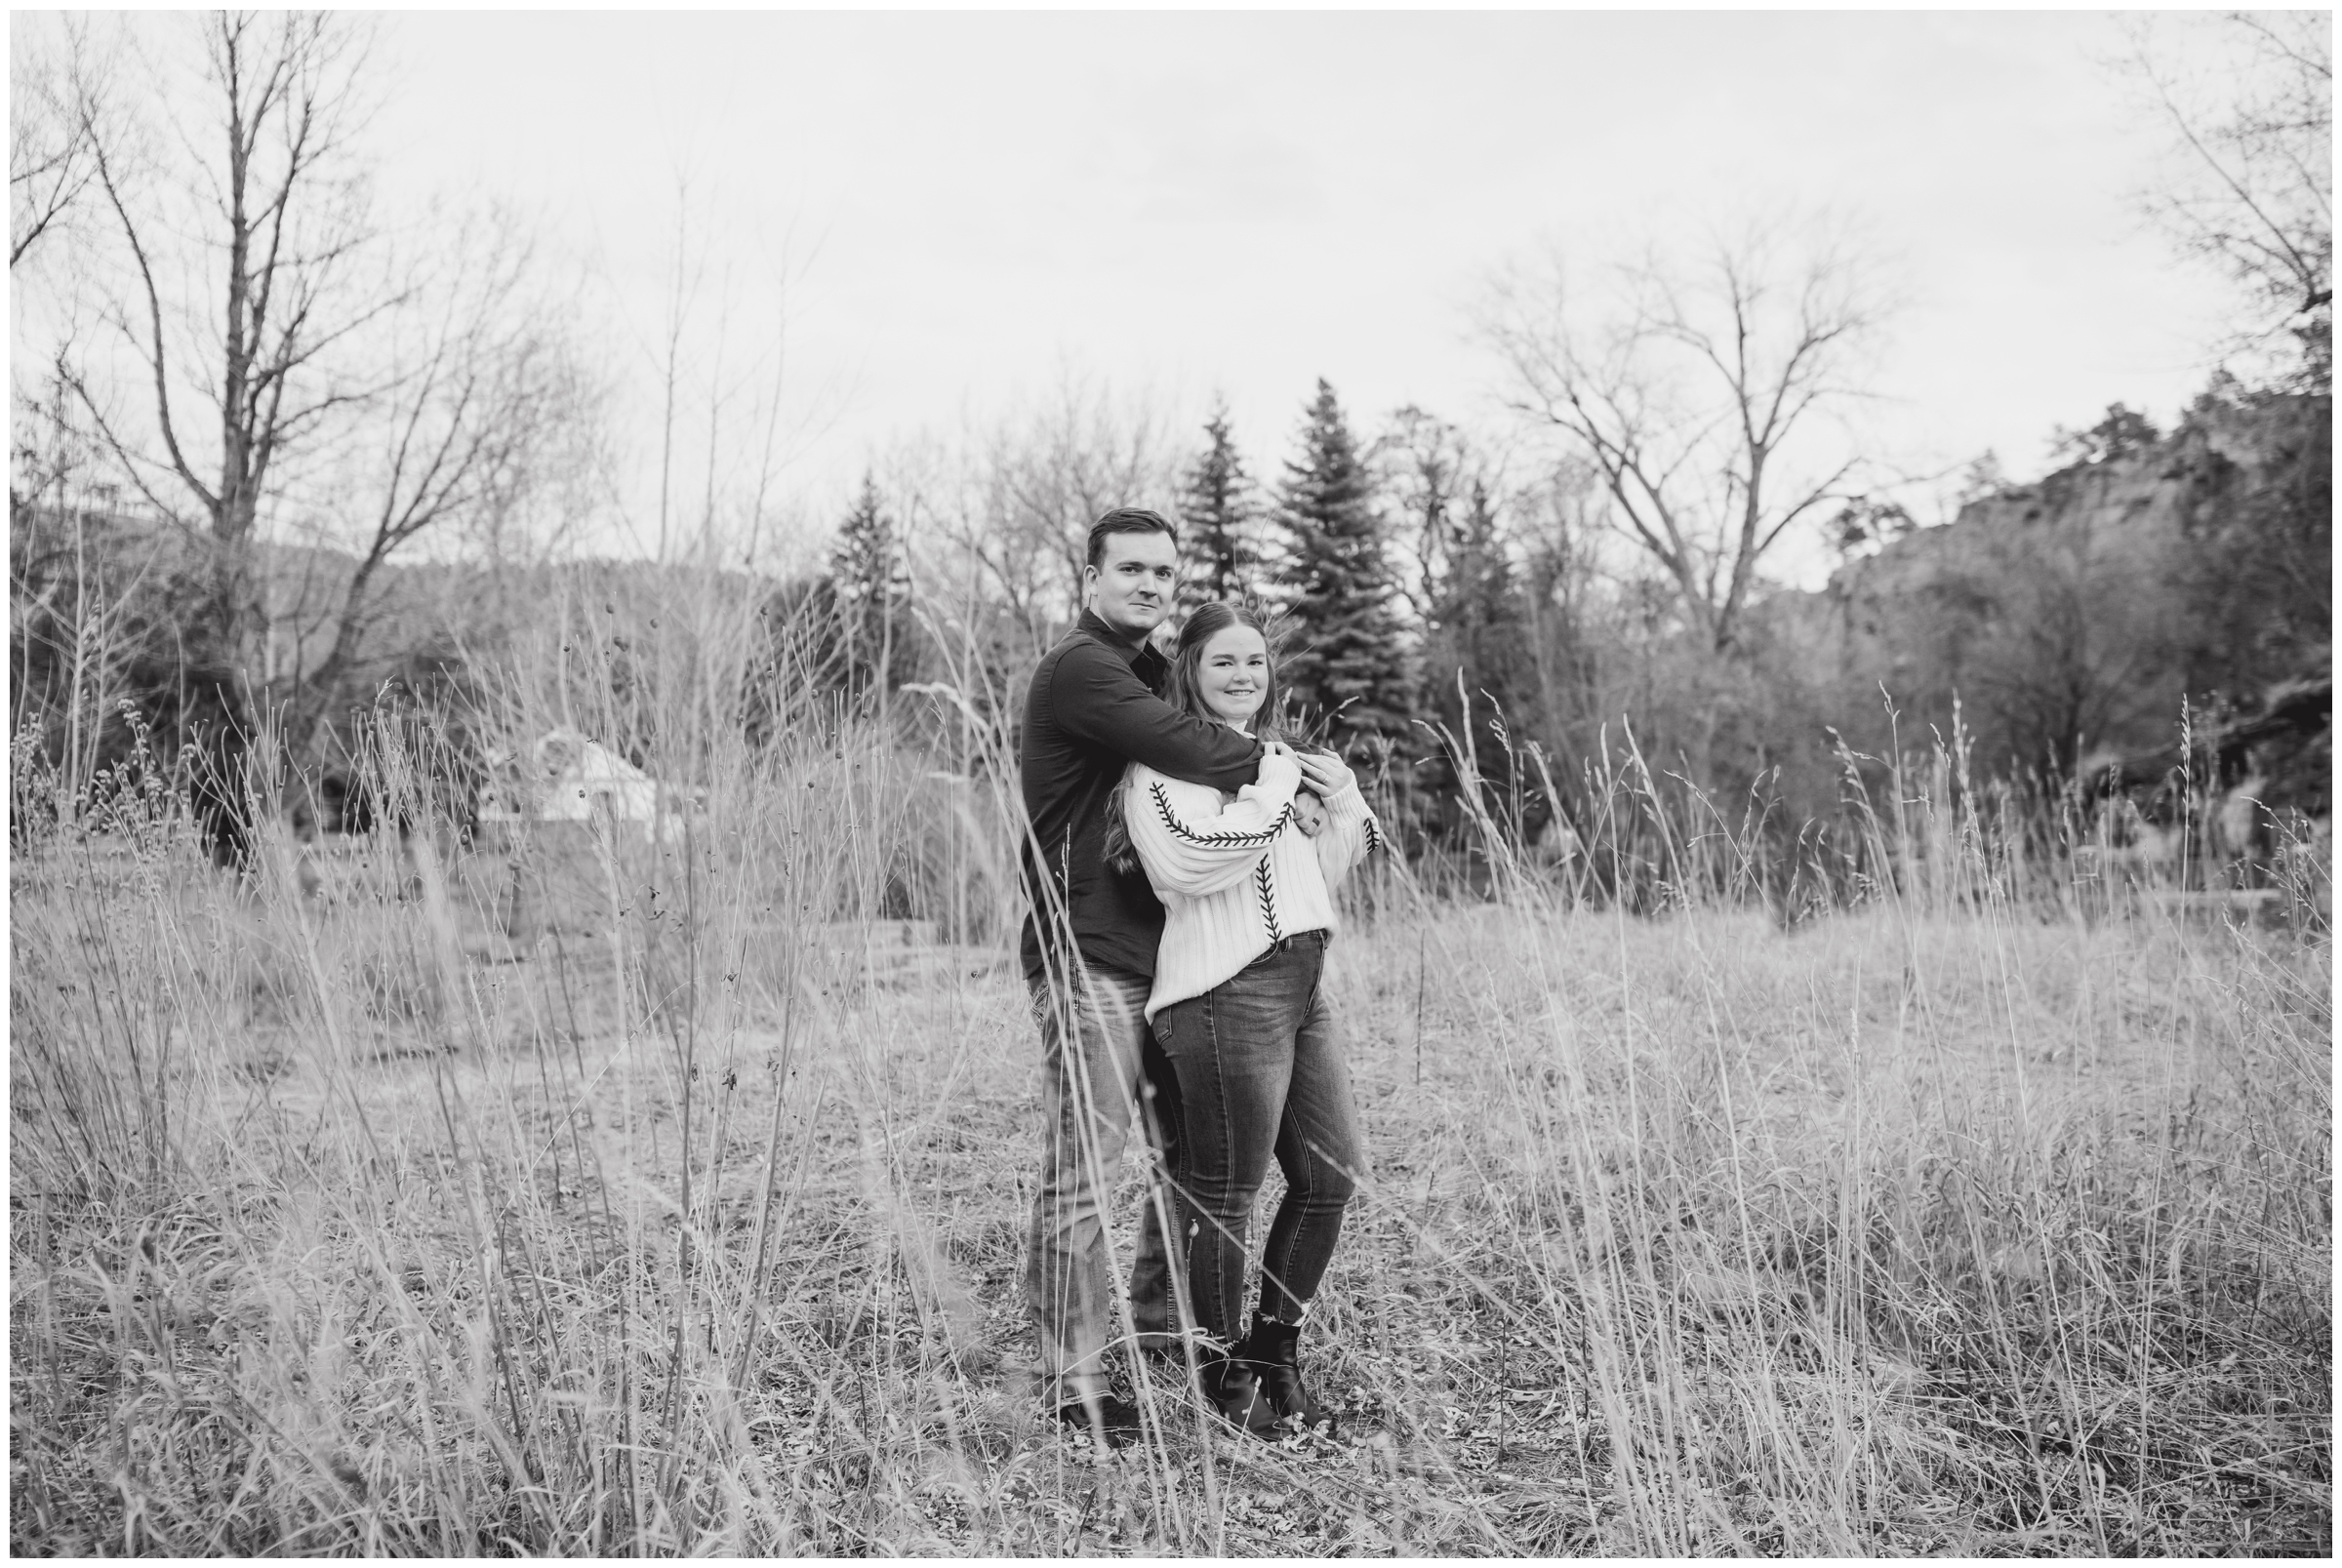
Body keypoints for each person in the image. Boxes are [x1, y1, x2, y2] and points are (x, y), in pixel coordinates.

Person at [1017, 507, 1283, 1446]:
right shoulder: (1084, 669)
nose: (1149, 584)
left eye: (1164, 573)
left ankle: (1165, 1322)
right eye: (1130, 568)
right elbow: (1193, 749)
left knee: (1188, 1153)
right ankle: (1070, 1376)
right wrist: (1288, 768)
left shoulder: (1144, 672)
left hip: (1167, 955)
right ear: (1091, 574)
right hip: (1088, 951)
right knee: (1084, 1168)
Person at [1115, 600, 1381, 1436]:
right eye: (1224, 660)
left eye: (1256, 661)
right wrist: (1272, 783)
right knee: (1225, 1189)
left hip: (1306, 983)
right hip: (1222, 993)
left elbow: (1317, 876)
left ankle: (1274, 1352)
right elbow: (1197, 865)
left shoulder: (1274, 763)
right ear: (1190, 668)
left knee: (1330, 1175)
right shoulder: (1158, 774)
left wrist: (1343, 803)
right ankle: (1220, 1371)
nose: (1243, 675)